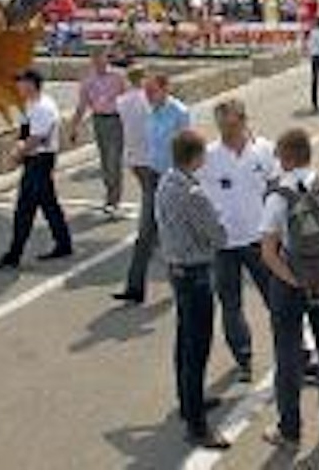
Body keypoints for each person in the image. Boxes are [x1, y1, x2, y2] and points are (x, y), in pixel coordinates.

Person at [260, 128, 319, 449]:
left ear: (286, 158)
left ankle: (289, 431)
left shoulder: (278, 196)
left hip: (290, 285)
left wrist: (295, 281)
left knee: (287, 355)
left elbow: (268, 253)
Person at [155, 129, 232, 450]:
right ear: (196, 157)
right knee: (197, 348)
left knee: (184, 340)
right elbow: (218, 236)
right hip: (195, 271)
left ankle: (189, 401)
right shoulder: (193, 194)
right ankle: (197, 426)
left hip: (176, 267)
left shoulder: (166, 181)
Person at [198, 98, 277, 382]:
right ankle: (244, 358)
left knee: (276, 300)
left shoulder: (264, 150)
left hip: (259, 241)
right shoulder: (208, 156)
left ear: (243, 121)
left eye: (230, 125)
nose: (226, 132)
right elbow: (195, 195)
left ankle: (298, 352)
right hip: (224, 246)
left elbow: (277, 187)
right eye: (221, 126)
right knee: (231, 305)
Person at [0, 69, 73, 269]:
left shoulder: (42, 108)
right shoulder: (32, 105)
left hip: (40, 161)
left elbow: (36, 139)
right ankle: (64, 243)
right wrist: (18, 147)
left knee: (25, 209)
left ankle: (14, 255)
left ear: (30, 84)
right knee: (49, 205)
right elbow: (25, 132)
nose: (17, 86)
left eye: (20, 82)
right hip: (36, 160)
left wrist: (16, 157)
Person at [113, 65, 157, 304]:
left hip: (134, 159)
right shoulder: (149, 102)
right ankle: (136, 285)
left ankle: (135, 285)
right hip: (152, 162)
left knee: (149, 224)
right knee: (150, 226)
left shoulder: (122, 101)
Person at [68, 48, 128, 218]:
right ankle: (110, 193)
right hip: (99, 120)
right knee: (105, 160)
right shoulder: (88, 80)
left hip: (116, 120)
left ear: (106, 59)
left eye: (101, 59)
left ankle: (113, 199)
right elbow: (82, 105)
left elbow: (128, 99)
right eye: (95, 60)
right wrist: (74, 127)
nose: (98, 63)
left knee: (113, 160)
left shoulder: (118, 77)